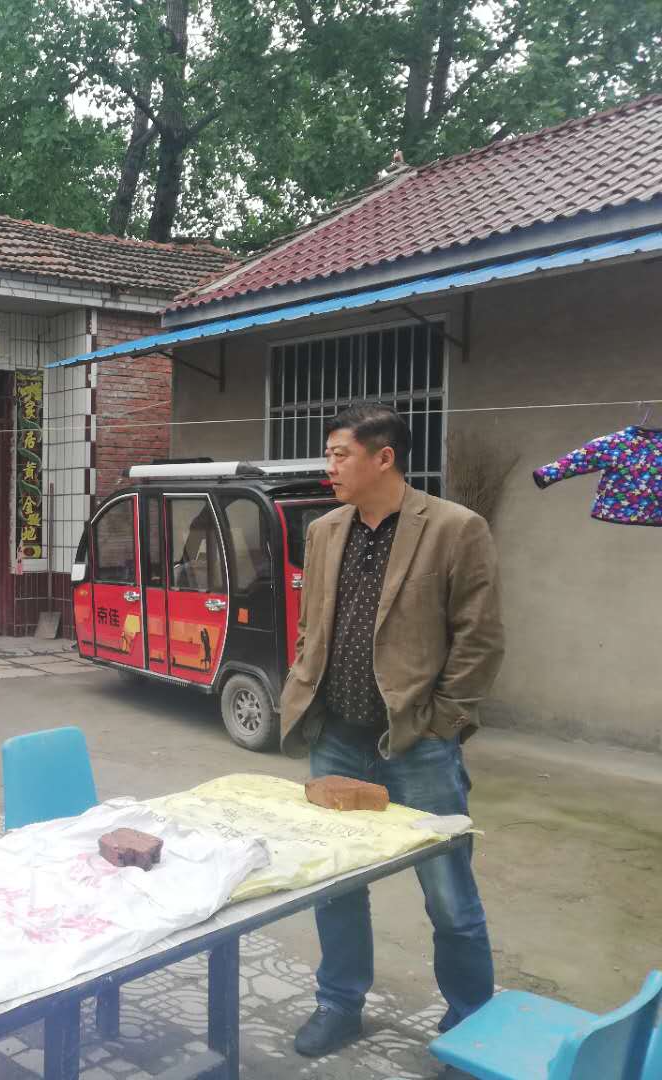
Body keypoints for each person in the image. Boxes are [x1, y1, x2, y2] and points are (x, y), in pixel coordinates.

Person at [280, 403, 505, 1058]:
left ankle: (469, 1023)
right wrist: (304, 684)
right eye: (328, 454)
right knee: (336, 883)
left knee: (449, 893)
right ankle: (339, 1004)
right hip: (337, 736)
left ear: (384, 458)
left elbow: (480, 637)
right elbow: (311, 625)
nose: (329, 467)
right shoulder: (325, 530)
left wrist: (442, 722)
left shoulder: (455, 528)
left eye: (340, 454)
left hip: (417, 743)